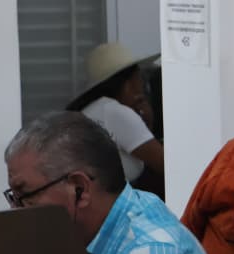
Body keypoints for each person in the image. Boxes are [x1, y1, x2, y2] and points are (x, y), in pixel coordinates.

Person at [4, 111, 213, 254]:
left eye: (25, 195)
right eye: (13, 197)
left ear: (79, 188)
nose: (16, 211)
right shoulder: (105, 225)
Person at [68, 42, 164, 198]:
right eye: (140, 79)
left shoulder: (97, 109)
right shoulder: (116, 113)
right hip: (115, 200)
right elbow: (164, 164)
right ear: (128, 84)